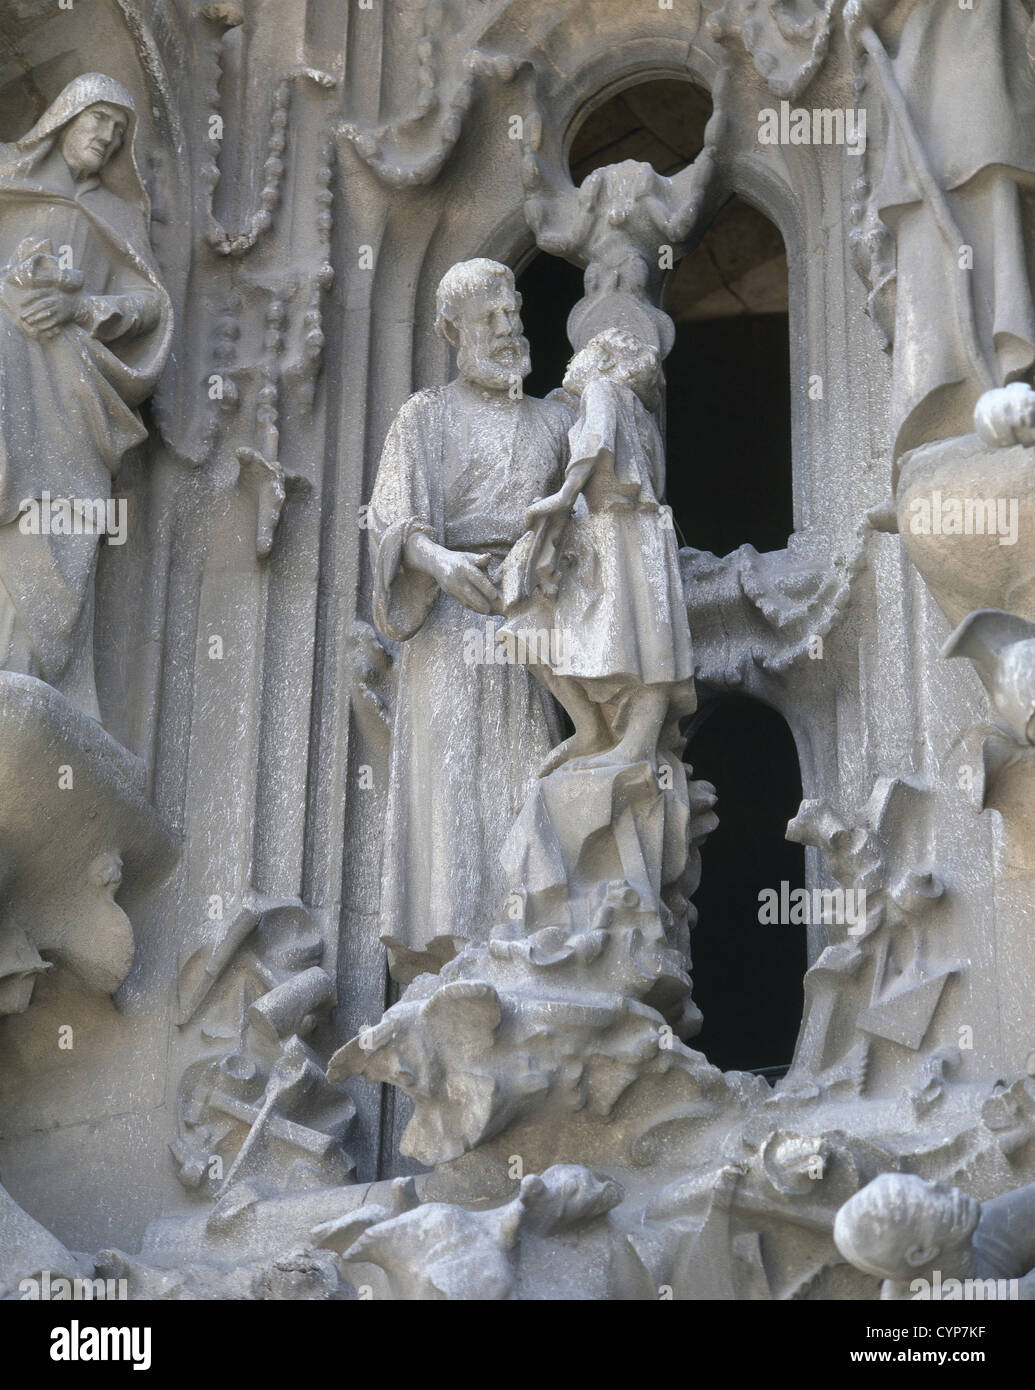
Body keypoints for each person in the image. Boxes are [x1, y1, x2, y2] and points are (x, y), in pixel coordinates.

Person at [367, 258, 571, 982]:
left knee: (528, 777)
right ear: (452, 330)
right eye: (488, 319)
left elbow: (592, 521)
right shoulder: (424, 416)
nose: (507, 329)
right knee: (450, 787)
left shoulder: (555, 421)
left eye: (512, 314)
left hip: (531, 625)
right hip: (450, 624)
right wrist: (439, 562)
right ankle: (454, 962)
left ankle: (529, 944)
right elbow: (390, 521)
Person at [0, 74, 172, 719]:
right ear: (63, 116)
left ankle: (37, 681)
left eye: (119, 131)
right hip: (7, 363)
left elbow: (151, 304)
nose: (106, 135)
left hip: (76, 390)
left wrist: (86, 307)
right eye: (98, 118)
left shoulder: (121, 215)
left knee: (63, 524)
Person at [845, 0, 1035, 461]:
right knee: (943, 222)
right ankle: (957, 393)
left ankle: (1007, 376)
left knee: (992, 189)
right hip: (934, 68)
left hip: (980, 57)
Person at [501, 328, 694, 775]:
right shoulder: (641, 416)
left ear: (605, 361)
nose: (571, 362)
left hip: (617, 533)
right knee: (638, 635)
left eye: (583, 354)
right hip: (628, 532)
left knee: (634, 636)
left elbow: (595, 445)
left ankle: (631, 743)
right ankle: (596, 731)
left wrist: (563, 496)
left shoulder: (603, 390)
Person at [834, 1171, 1035, 1299]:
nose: (938, 1185)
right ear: (921, 1253)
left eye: (924, 1185)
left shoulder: (963, 1233)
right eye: (929, 1200)